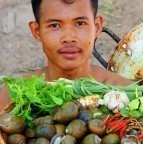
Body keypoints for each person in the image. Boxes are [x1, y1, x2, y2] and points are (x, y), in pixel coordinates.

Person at [0, 0, 132, 113]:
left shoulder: (126, 93)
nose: (69, 38)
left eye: (80, 23)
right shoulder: (10, 97)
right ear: (37, 31)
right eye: (54, 25)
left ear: (97, 27)